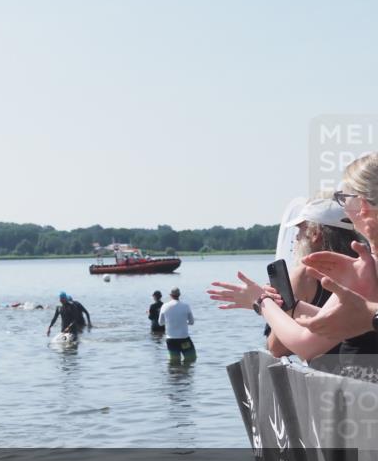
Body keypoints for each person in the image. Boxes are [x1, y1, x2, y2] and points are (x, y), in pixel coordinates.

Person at [208, 152, 378, 382]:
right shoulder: (364, 264)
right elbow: (345, 320)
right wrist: (293, 307)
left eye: (345, 198)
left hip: (359, 402)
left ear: (363, 207)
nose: (344, 207)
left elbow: (305, 345)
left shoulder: (365, 268)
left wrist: (261, 302)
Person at [264, 197, 359, 358]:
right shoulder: (365, 268)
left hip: (325, 378)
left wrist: (266, 305)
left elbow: (276, 348)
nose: (296, 238)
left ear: (315, 234)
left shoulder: (305, 275)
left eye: (300, 230)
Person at [158, 287, 196, 364]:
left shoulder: (164, 306)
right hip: (184, 339)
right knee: (191, 359)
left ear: (170, 295)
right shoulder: (186, 306)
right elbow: (192, 322)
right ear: (179, 295)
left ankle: (174, 375)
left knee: (174, 361)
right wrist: (184, 323)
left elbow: (160, 323)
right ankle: (185, 374)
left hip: (171, 340)